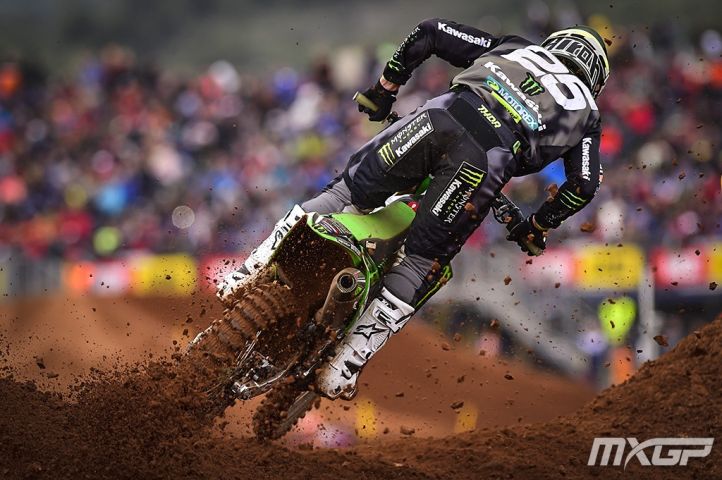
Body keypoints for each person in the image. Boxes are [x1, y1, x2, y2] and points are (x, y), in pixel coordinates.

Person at [218, 19, 610, 400]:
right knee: (422, 261)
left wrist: (384, 89)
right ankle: (345, 364)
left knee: (345, 192)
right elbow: (585, 185)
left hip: (436, 119)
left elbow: (431, 31)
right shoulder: (587, 113)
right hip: (481, 161)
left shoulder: (516, 48)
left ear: (557, 43)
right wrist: (537, 224)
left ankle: (248, 270)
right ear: (595, 77)